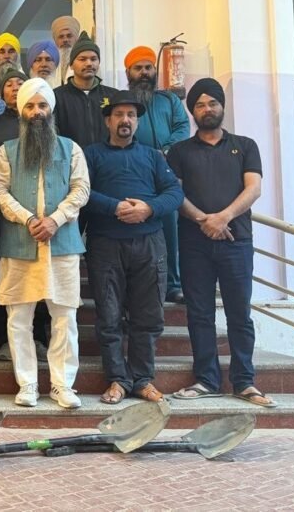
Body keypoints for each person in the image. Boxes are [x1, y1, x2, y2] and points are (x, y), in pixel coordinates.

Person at [168, 78, 275, 408]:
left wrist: (223, 217)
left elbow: (254, 188)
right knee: (200, 314)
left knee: (239, 314)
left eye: (212, 103)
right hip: (194, 244)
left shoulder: (245, 146)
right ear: (193, 112)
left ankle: (244, 382)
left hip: (236, 241)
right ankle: (207, 380)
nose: (207, 109)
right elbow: (175, 194)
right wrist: (204, 220)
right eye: (200, 105)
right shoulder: (180, 151)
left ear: (222, 106)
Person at [0, 78, 91, 408]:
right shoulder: (6, 151)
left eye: (43, 105)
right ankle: (28, 384)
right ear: (21, 111)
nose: (37, 112)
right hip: (19, 244)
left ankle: (63, 385)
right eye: (31, 106)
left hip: (62, 246)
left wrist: (55, 220)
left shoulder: (71, 148)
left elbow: (81, 189)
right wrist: (28, 219)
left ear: (51, 110)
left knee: (65, 318)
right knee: (19, 319)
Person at [83, 90, 183, 404]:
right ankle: (117, 379)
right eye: (119, 115)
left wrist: (148, 209)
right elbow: (81, 192)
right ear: (108, 121)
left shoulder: (153, 156)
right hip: (105, 244)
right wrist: (114, 207)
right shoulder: (91, 155)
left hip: (149, 243)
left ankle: (142, 379)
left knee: (148, 315)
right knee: (109, 315)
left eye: (131, 115)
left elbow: (174, 193)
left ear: (137, 122)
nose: (125, 120)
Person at [0, 68, 51, 363]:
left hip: (45, 223)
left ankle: (40, 337)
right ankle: (4, 339)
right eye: (9, 84)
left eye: (20, 83)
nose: (14, 88)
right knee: (6, 283)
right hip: (5, 218)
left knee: (43, 282)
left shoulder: (48, 128)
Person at [125, 45, 191, 304]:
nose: (144, 72)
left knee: (170, 229)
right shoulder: (124, 101)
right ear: (128, 72)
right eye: (138, 68)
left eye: (148, 67)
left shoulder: (169, 100)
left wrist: (166, 150)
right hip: (135, 173)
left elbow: (182, 126)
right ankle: (137, 287)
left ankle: (173, 284)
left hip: (166, 172)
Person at [53, 32, 116, 148]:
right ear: (71, 65)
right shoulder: (57, 97)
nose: (89, 63)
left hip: (106, 157)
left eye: (93, 59)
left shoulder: (113, 95)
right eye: (82, 59)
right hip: (72, 157)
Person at [0, 32, 22, 97]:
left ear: (18, 56)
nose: (6, 56)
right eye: (2, 52)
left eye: (11, 52)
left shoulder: (28, 83)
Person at [50, 16, 81, 81]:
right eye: (61, 37)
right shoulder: (50, 63)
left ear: (76, 39)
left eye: (69, 36)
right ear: (55, 41)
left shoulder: (85, 61)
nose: (65, 40)